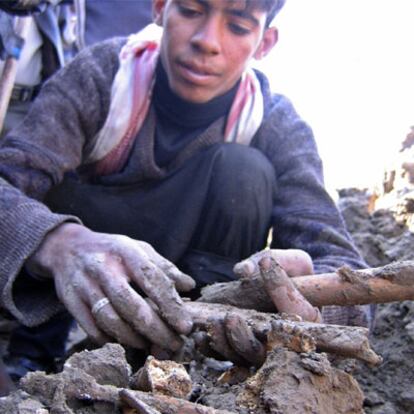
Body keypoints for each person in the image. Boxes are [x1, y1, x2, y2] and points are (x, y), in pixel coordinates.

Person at [0, 0, 372, 376]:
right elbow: (8, 181)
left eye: (238, 27)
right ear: (161, 8)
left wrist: (315, 302)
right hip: (92, 249)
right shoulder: (103, 74)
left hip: (189, 288)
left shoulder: (274, 121)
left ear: (265, 43)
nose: (207, 41)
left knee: (244, 173)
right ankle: (34, 353)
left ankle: (186, 358)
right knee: (47, 188)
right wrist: (62, 244)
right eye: (192, 10)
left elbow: (344, 268)